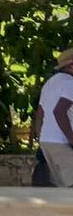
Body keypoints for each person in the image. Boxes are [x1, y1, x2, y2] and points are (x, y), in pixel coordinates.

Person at [36, 48, 73, 187]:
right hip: (61, 143)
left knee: (63, 188)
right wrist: (72, 140)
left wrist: (41, 139)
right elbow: (59, 112)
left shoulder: (50, 83)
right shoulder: (70, 83)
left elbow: (40, 114)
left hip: (48, 141)